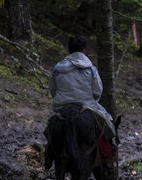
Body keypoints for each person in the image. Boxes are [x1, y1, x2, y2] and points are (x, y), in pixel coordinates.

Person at [44, 36, 116, 169]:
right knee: (108, 123)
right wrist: (90, 100)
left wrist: (61, 100)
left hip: (62, 105)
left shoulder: (57, 68)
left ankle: (49, 157)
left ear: (69, 50)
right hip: (87, 105)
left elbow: (53, 90)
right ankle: (108, 158)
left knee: (49, 129)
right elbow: (97, 92)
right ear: (84, 50)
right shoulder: (91, 69)